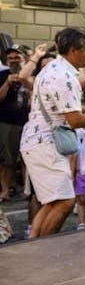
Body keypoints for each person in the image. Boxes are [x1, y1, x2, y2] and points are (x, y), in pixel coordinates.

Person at [21, 28, 85, 238]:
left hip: (38, 141)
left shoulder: (52, 68)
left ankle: (33, 244)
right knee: (65, 201)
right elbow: (75, 121)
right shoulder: (64, 77)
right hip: (45, 144)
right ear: (73, 50)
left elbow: (58, 108)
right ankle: (42, 249)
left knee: (52, 202)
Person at [0, 47, 32, 201]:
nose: (14, 60)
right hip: (8, 122)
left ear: (23, 59)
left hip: (28, 123)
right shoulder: (2, 75)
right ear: (7, 61)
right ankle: (5, 190)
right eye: (11, 58)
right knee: (8, 160)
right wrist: (6, 83)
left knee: (28, 158)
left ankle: (28, 190)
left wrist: (25, 80)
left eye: (17, 57)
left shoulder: (29, 75)